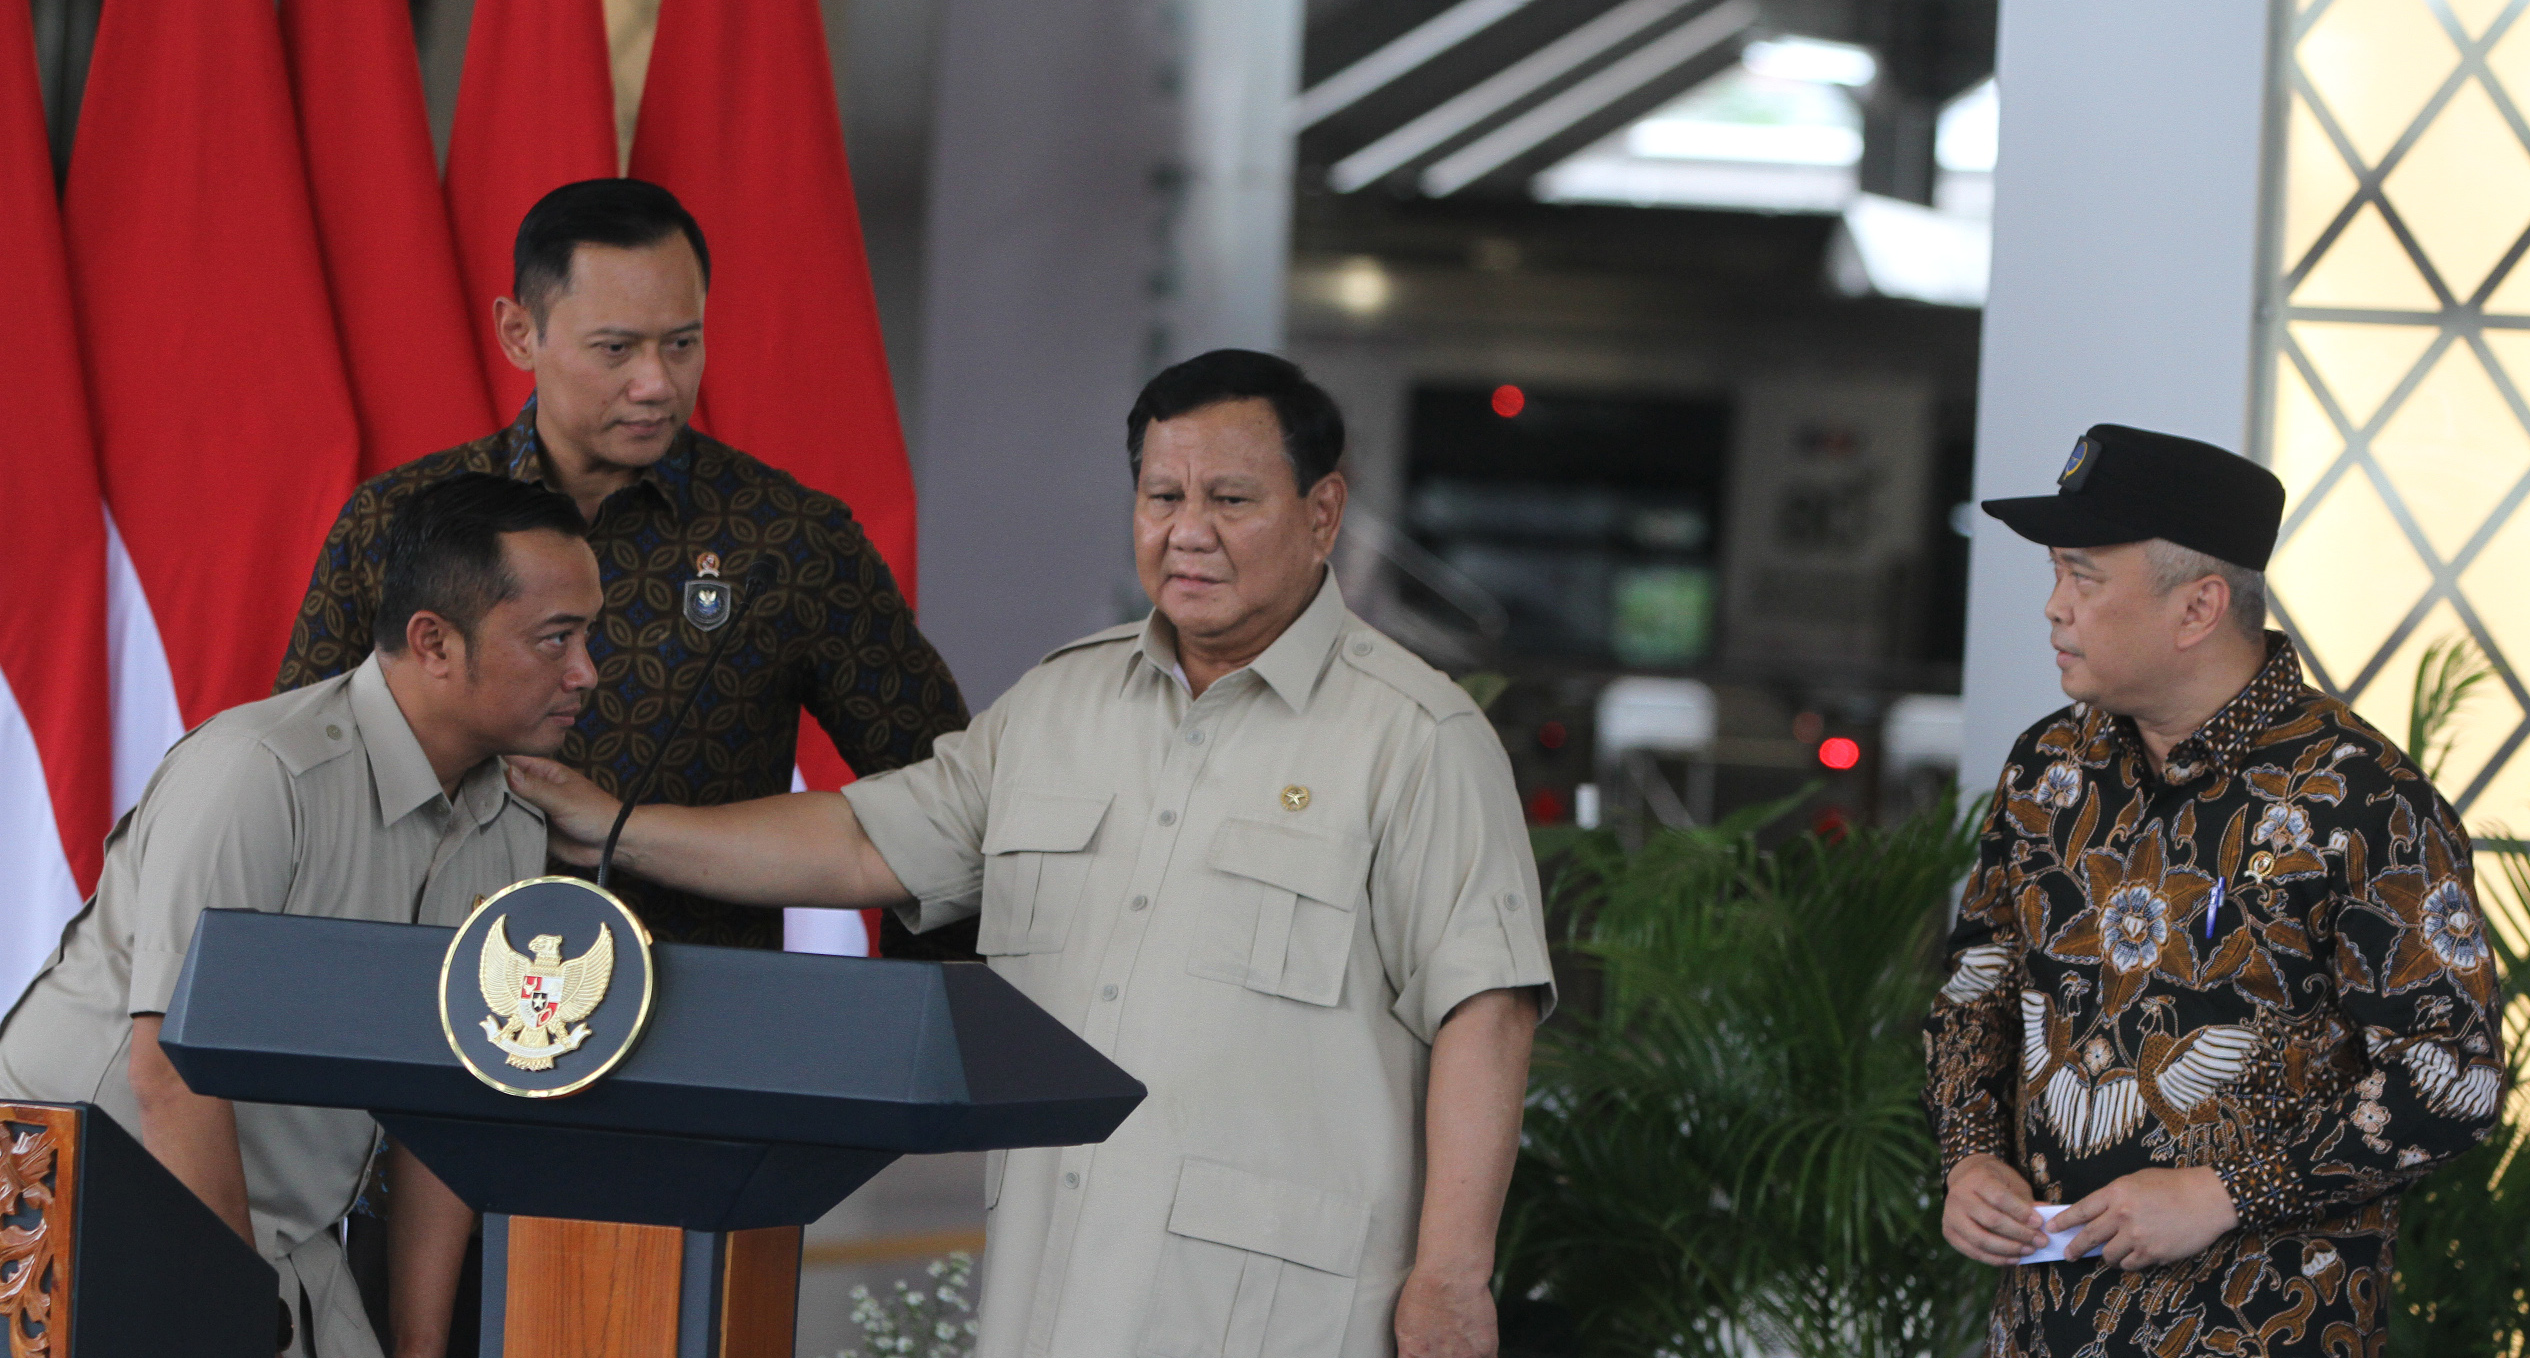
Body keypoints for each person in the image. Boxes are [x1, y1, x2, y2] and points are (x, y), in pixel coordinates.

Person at [509, 350, 1555, 1358]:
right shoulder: (1061, 703)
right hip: (1052, 1284)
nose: (1188, 533)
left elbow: (1485, 1008)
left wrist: (1452, 1277)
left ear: (1320, 514)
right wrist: (617, 828)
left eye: (1230, 501)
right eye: (1161, 498)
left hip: (1281, 1311)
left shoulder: (1415, 737)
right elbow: (863, 840)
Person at [1924, 424, 2507, 1355]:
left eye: (2084, 577)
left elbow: (2455, 1078)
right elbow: (1977, 987)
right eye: (2054, 576)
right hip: (2040, 1331)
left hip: (2258, 1326)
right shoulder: (2046, 769)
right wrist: (1970, 1156)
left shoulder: (2364, 800)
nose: (2053, 608)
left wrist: (2227, 1193)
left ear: (2197, 608)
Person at [276, 177, 969, 955]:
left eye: (682, 343)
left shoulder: (788, 540)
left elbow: (943, 810)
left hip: (700, 1029)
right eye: (616, 349)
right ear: (518, 332)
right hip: (423, 1007)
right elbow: (298, 783)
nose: (657, 384)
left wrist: (918, 1037)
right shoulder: (395, 524)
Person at [0, 474, 601, 1358]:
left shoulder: (508, 826)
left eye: (587, 637)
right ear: (433, 642)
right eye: (556, 640)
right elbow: (170, 1072)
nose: (586, 673)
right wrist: (238, 1316)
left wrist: (420, 1346)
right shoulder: (258, 774)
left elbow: (446, 1104)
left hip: (275, 1241)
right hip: (67, 1225)